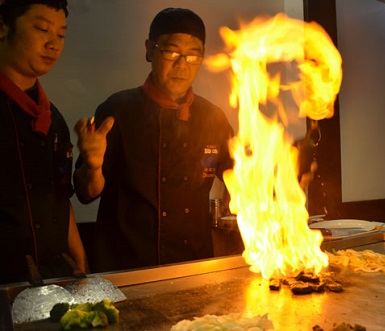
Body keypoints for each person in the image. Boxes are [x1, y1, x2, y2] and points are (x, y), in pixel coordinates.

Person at [74, 8, 234, 272]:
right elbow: (86, 193)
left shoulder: (213, 117)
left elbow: (242, 178)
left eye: (193, 54)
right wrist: (91, 166)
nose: (182, 64)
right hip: (126, 267)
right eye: (171, 52)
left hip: (192, 266)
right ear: (150, 50)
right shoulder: (118, 110)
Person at [0, 0, 89, 284]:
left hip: (53, 281)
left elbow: (61, 200)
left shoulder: (53, 120)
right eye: (42, 29)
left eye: (61, 35)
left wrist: (81, 262)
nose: (54, 44)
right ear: (3, 27)